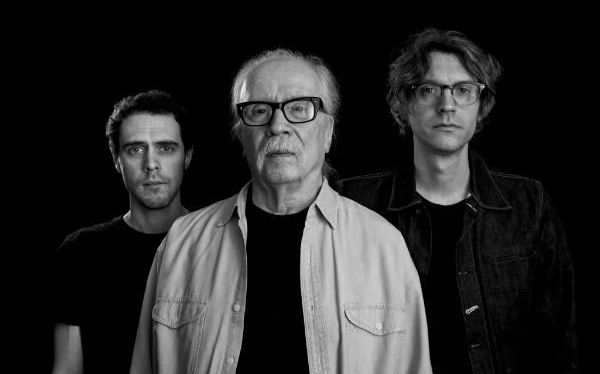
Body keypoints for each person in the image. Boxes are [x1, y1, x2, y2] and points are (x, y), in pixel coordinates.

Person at [130, 49, 432, 373]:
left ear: (327, 132)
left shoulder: (384, 246)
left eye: (299, 109)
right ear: (241, 135)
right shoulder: (181, 243)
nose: (277, 125)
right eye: (259, 110)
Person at [339, 28, 579, 373]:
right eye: (429, 89)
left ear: (482, 106)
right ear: (403, 103)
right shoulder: (350, 201)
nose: (447, 105)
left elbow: (559, 343)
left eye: (463, 90)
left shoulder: (529, 203)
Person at [51, 90, 194, 374]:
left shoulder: (218, 243)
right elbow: (67, 368)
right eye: (135, 149)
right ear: (117, 160)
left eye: (166, 148)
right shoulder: (79, 253)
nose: (151, 164)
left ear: (187, 156)